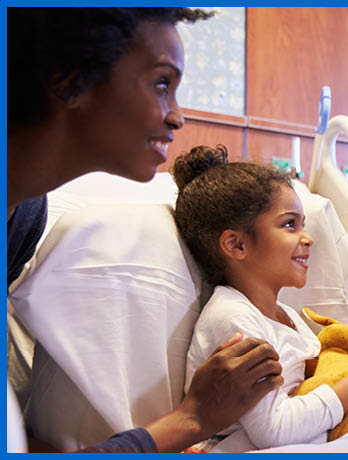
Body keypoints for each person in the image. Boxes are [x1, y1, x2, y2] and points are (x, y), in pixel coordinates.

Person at [7, 8, 283, 453]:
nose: (177, 117)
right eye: (161, 84)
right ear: (68, 75)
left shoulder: (22, 217)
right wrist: (192, 419)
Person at [174, 146, 348, 450]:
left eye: (303, 224)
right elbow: (275, 430)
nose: (308, 238)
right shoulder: (232, 321)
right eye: (290, 224)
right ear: (236, 245)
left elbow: (321, 386)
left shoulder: (288, 317)